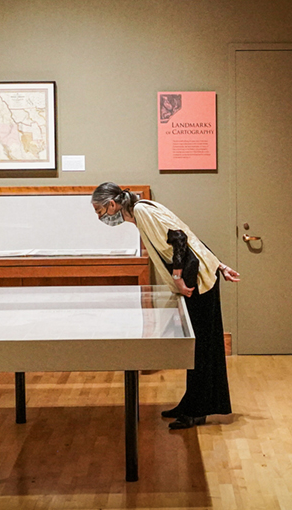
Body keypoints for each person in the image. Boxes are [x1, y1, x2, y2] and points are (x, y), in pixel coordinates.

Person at [91, 182, 241, 430]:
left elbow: (180, 240)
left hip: (196, 283)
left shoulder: (142, 211)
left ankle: (197, 410)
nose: (101, 218)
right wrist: (219, 265)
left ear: (112, 204)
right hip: (200, 278)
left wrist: (178, 278)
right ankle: (191, 403)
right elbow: (188, 235)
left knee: (201, 348)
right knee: (199, 346)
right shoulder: (143, 211)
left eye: (100, 211)